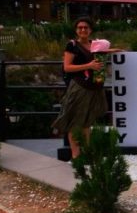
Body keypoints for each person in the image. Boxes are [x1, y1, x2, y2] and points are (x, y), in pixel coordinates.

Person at [51, 17, 119, 159]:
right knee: (75, 122)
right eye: (80, 27)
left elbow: (97, 54)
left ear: (90, 30)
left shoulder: (94, 44)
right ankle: (76, 155)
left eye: (85, 27)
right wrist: (89, 66)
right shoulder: (72, 45)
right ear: (76, 30)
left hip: (94, 87)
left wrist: (113, 51)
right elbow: (67, 67)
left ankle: (87, 152)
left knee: (87, 122)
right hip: (80, 88)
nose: (83, 30)